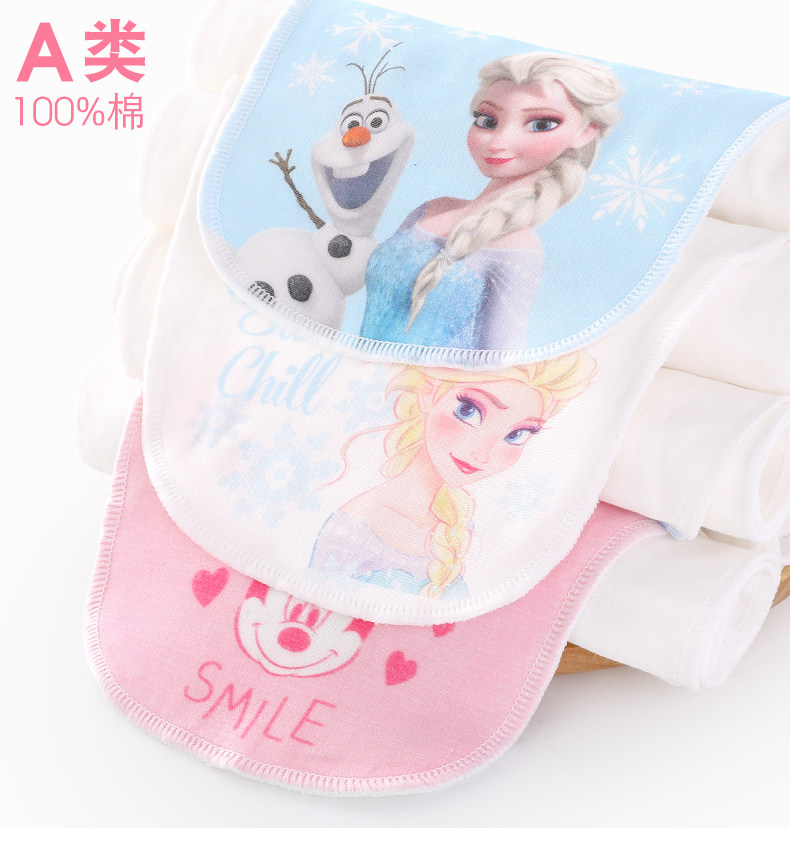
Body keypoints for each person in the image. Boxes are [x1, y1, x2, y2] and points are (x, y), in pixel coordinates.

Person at [359, 52, 623, 349]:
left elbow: (499, 354)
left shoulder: (518, 248)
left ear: (585, 132)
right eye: (487, 121)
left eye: (541, 124)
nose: (498, 143)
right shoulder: (430, 210)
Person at [309, 350, 596, 599]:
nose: (481, 454)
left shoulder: (456, 523)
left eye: (517, 434)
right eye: (468, 411)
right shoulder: (354, 527)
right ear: (428, 395)